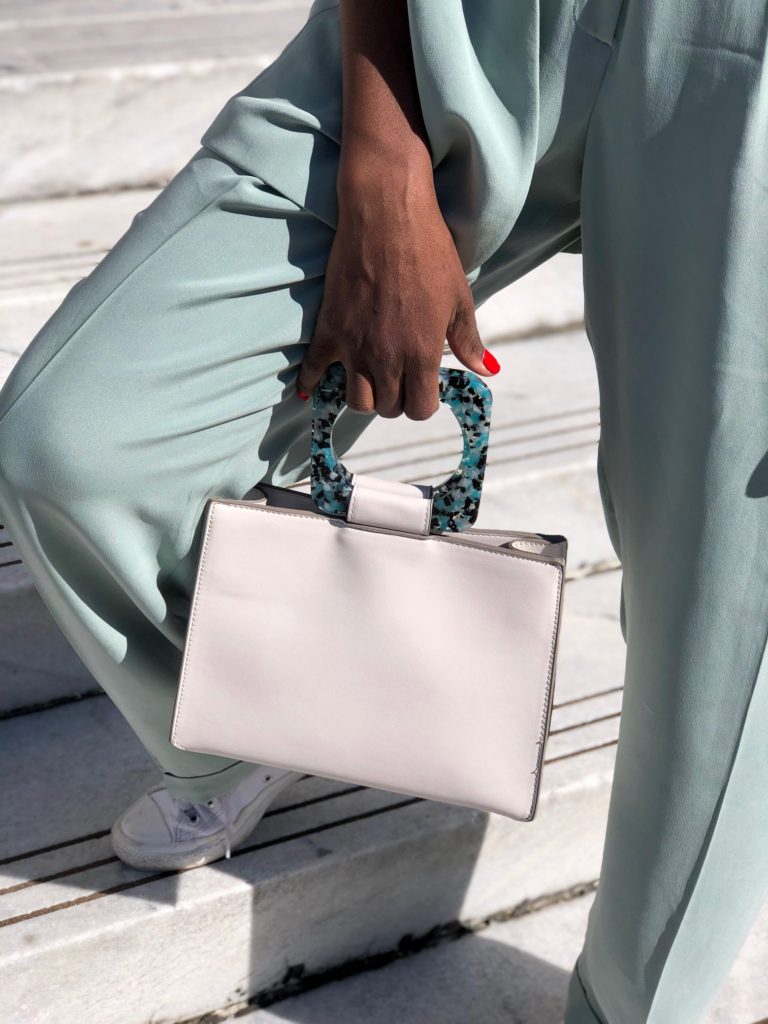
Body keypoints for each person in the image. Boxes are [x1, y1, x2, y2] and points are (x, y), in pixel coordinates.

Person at [0, 0, 766, 1020]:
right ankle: (244, 717)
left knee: (728, 607)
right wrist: (386, 153)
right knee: (74, 437)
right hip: (469, 22)